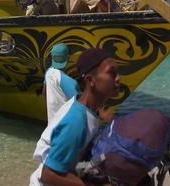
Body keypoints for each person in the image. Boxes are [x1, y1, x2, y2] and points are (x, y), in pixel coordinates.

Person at [30, 48, 120, 185]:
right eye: (112, 73)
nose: (118, 78)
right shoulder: (77, 121)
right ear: (91, 80)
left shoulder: (87, 109)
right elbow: (48, 174)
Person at [43, 43, 78, 123]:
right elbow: (82, 105)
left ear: (52, 58)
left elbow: (44, 93)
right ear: (68, 58)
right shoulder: (69, 81)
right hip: (65, 128)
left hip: (51, 127)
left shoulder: (48, 73)